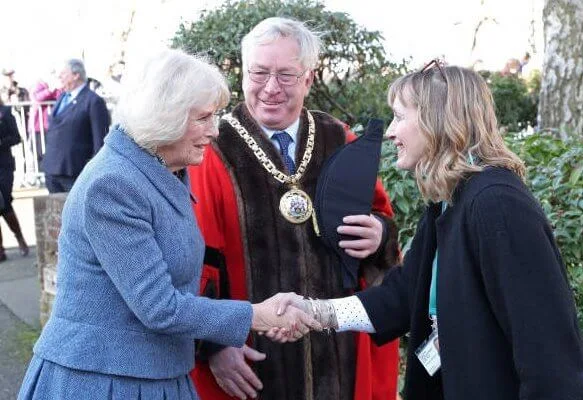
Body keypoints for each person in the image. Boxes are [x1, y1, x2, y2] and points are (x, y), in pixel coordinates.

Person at [274, 62, 583, 400]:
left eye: (400, 117)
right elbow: (402, 295)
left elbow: (548, 353)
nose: (390, 132)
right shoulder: (452, 199)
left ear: (437, 120)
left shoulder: (497, 204)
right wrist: (315, 312)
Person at [17, 49, 320, 400]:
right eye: (204, 118)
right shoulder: (113, 184)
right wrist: (258, 316)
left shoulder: (160, 168)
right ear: (166, 117)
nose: (214, 130)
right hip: (104, 380)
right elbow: (160, 307)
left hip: (152, 374)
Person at [188, 17, 400, 400]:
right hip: (250, 356)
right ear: (242, 74)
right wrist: (216, 345)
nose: (271, 88)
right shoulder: (212, 148)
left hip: (339, 350)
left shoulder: (340, 138)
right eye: (259, 73)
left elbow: (380, 219)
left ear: (308, 79)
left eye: (286, 75)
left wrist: (378, 235)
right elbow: (196, 258)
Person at [42, 59, 110, 193]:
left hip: (75, 170)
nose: (59, 77)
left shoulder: (93, 101)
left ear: (76, 75)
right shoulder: (62, 98)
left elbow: (99, 140)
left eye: (63, 73)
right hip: (53, 169)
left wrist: (95, 169)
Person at [0, 100, 29, 260]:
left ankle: (19, 237)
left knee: (4, 202)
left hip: (3, 165)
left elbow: (16, 137)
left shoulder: (5, 111)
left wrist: (1, 142)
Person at [28, 78, 61, 164]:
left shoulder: (59, 87)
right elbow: (37, 98)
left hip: (52, 127)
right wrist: (50, 90)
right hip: (38, 128)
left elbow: (60, 97)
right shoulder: (38, 85)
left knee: (51, 154)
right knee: (39, 153)